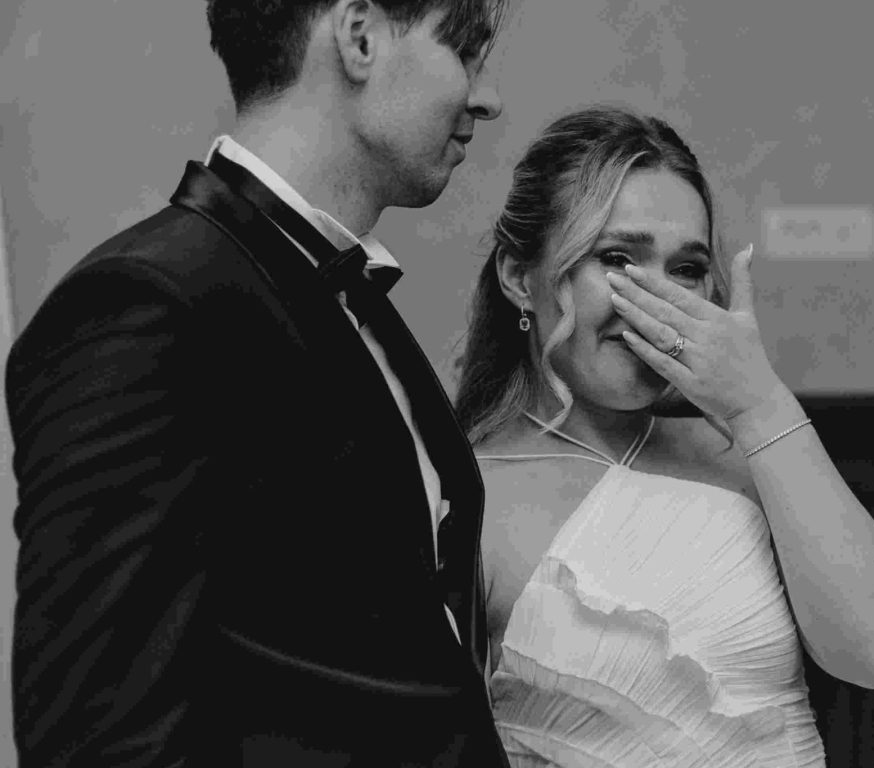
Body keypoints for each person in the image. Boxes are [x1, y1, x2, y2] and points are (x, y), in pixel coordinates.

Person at [5, 1, 511, 765]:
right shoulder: (146, 304)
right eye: (465, 47)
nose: (488, 96)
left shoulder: (348, 300)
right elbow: (99, 735)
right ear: (360, 36)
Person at [454, 106, 874, 767]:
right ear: (518, 277)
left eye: (687, 269)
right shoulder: (465, 494)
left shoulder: (741, 455)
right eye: (617, 258)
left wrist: (759, 405)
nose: (658, 301)